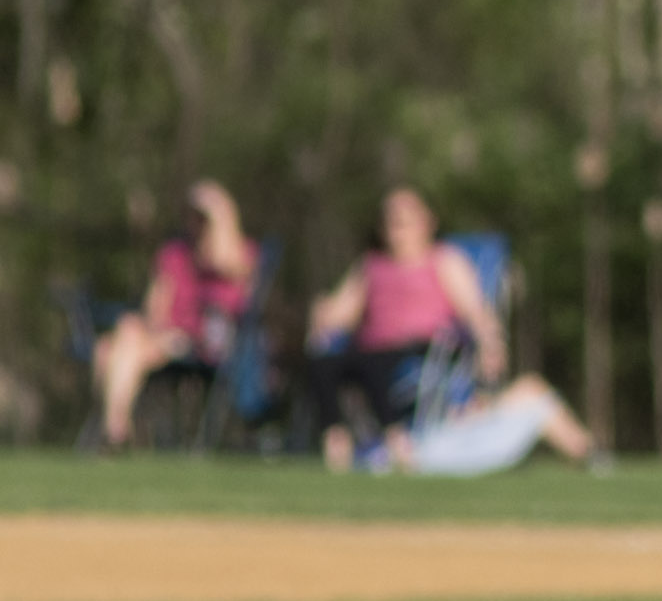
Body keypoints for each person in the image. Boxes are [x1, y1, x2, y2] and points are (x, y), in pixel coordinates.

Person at [307, 187, 504, 472]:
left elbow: (476, 311)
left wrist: (490, 343)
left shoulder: (444, 260)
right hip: (370, 348)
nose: (396, 224)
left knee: (373, 364)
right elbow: (339, 313)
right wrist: (322, 312)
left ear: (427, 222)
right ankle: (336, 441)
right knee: (322, 364)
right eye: (391, 218)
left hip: (421, 349)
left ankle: (396, 441)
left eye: (405, 218)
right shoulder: (371, 266)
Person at [90, 181, 258, 450]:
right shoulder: (175, 253)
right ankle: (117, 428)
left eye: (205, 218)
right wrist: (152, 327)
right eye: (193, 216)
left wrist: (217, 223)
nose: (196, 223)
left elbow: (231, 273)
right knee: (115, 342)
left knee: (115, 347)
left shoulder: (241, 254)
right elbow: (156, 304)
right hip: (163, 336)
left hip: (204, 342)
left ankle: (114, 429)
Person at [384, 374, 606, 477]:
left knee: (535, 394)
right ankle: (589, 452)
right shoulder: (425, 446)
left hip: (469, 438)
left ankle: (588, 450)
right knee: (534, 392)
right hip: (465, 445)